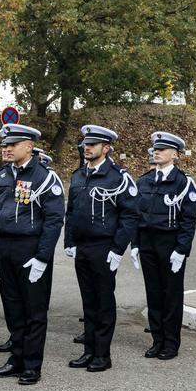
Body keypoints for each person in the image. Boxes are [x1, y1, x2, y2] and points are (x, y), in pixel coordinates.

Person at [0, 124, 64, 386]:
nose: (6, 149)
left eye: (12, 145)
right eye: (4, 145)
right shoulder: (0, 176)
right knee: (13, 309)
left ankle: (32, 365)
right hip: (4, 248)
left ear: (28, 146)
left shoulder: (44, 177)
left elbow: (53, 220)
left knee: (34, 311)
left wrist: (42, 257)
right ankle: (16, 358)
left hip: (30, 250)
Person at [63, 125, 139, 372]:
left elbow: (130, 216)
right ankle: (89, 351)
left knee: (103, 301)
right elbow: (72, 211)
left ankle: (102, 355)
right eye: (86, 143)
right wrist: (70, 241)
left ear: (106, 148)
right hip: (83, 247)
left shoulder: (118, 177)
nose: (88, 147)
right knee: (88, 302)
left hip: (104, 246)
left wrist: (117, 249)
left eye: (93, 144)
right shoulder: (78, 175)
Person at [134, 132, 196, 360]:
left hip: (170, 244)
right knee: (153, 293)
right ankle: (157, 340)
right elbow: (135, 215)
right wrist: (135, 244)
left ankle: (170, 343)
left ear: (175, 154)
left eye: (162, 149)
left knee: (170, 295)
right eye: (155, 149)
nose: (157, 152)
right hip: (148, 243)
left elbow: (189, 220)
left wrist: (181, 250)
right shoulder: (144, 181)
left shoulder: (183, 182)